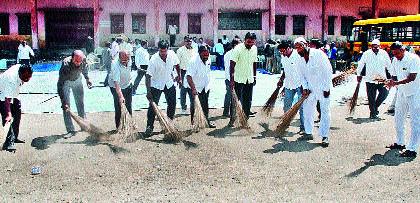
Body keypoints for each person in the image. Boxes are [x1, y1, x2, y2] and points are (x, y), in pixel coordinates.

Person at [294, 37, 333, 147]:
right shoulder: (299, 59)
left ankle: (325, 136)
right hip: (310, 89)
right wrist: (305, 88)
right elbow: (301, 76)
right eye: (296, 48)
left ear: (306, 44)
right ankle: (308, 132)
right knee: (307, 111)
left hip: (323, 88)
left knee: (325, 111)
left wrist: (326, 88)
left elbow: (328, 71)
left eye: (300, 47)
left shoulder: (318, 54)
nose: (298, 50)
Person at [385, 42, 420, 158]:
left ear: (403, 50)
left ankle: (412, 149)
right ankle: (400, 143)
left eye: (397, 53)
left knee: (415, 121)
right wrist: (390, 81)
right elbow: (394, 76)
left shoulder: (414, 59)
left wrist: (396, 83)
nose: (396, 56)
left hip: (415, 92)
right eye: (393, 54)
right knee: (398, 118)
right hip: (402, 92)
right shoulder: (395, 60)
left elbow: (412, 77)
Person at [144, 41, 180, 137]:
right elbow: (148, 76)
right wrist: (148, 92)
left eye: (165, 51)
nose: (163, 53)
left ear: (168, 49)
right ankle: (149, 126)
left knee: (172, 104)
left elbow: (177, 64)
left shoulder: (172, 54)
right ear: (158, 49)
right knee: (152, 107)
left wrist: (179, 76)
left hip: (168, 82)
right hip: (156, 84)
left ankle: (169, 124)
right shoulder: (153, 59)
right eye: (161, 51)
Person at [57, 50, 92, 139]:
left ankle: (83, 124)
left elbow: (84, 69)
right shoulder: (65, 65)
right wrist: (63, 100)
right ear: (72, 58)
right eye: (76, 61)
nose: (78, 63)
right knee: (66, 107)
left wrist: (87, 79)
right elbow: (60, 84)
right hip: (66, 82)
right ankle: (70, 130)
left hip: (77, 80)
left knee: (80, 103)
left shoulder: (83, 60)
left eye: (80, 61)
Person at [0, 64, 33, 152]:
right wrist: (8, 114)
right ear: (20, 74)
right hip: (2, 94)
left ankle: (15, 138)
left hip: (12, 93)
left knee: (18, 113)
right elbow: (7, 100)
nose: (27, 79)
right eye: (25, 78)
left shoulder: (21, 67)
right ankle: (8, 144)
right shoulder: (11, 80)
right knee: (7, 119)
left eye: (29, 77)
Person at [357, 39, 392, 119]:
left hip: (381, 78)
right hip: (370, 79)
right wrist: (359, 74)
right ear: (371, 47)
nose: (375, 49)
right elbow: (361, 64)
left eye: (376, 47)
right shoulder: (366, 54)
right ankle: (373, 113)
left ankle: (375, 107)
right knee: (371, 97)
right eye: (373, 47)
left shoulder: (384, 53)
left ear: (380, 46)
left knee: (385, 93)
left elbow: (389, 65)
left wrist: (392, 75)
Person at [228, 32, 258, 126]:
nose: (250, 44)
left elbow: (254, 63)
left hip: (249, 79)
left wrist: (254, 76)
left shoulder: (254, 48)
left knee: (248, 101)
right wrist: (232, 80)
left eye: (252, 42)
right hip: (238, 79)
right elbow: (232, 64)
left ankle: (245, 120)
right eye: (249, 42)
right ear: (245, 40)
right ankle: (232, 119)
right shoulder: (238, 49)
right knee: (235, 100)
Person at [276, 40, 305, 132]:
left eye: (283, 51)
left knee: (302, 108)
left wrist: (304, 85)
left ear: (289, 48)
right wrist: (281, 79)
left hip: (300, 85)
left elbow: (304, 70)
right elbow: (285, 70)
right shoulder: (283, 57)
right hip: (288, 85)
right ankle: (286, 122)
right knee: (286, 106)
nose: (282, 53)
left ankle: (303, 127)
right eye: (280, 51)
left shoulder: (298, 55)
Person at [185, 46, 216, 128]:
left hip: (205, 87)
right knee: (194, 105)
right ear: (199, 53)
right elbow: (189, 77)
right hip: (194, 87)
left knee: (205, 104)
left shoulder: (208, 58)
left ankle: (206, 121)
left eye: (207, 54)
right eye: (204, 55)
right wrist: (194, 89)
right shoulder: (193, 61)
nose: (206, 56)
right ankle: (193, 123)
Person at [108, 50, 133, 128]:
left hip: (127, 84)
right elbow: (116, 84)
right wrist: (121, 96)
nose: (125, 62)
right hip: (115, 87)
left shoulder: (129, 59)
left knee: (128, 105)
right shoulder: (115, 65)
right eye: (123, 60)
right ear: (119, 58)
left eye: (127, 60)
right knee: (119, 106)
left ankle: (130, 124)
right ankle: (118, 126)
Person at [176, 36, 197, 114]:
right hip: (183, 72)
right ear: (184, 42)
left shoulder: (195, 50)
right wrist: (179, 76)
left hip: (193, 73)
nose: (188, 42)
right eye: (187, 41)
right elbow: (177, 64)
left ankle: (193, 108)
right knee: (183, 91)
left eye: (190, 41)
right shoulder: (180, 50)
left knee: (193, 90)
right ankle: (183, 109)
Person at [222, 38, 240, 117]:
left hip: (234, 77)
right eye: (239, 44)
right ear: (235, 45)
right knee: (229, 95)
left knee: (233, 95)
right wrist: (231, 79)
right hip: (230, 78)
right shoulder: (230, 54)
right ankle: (226, 112)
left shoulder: (233, 53)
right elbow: (229, 67)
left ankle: (233, 111)